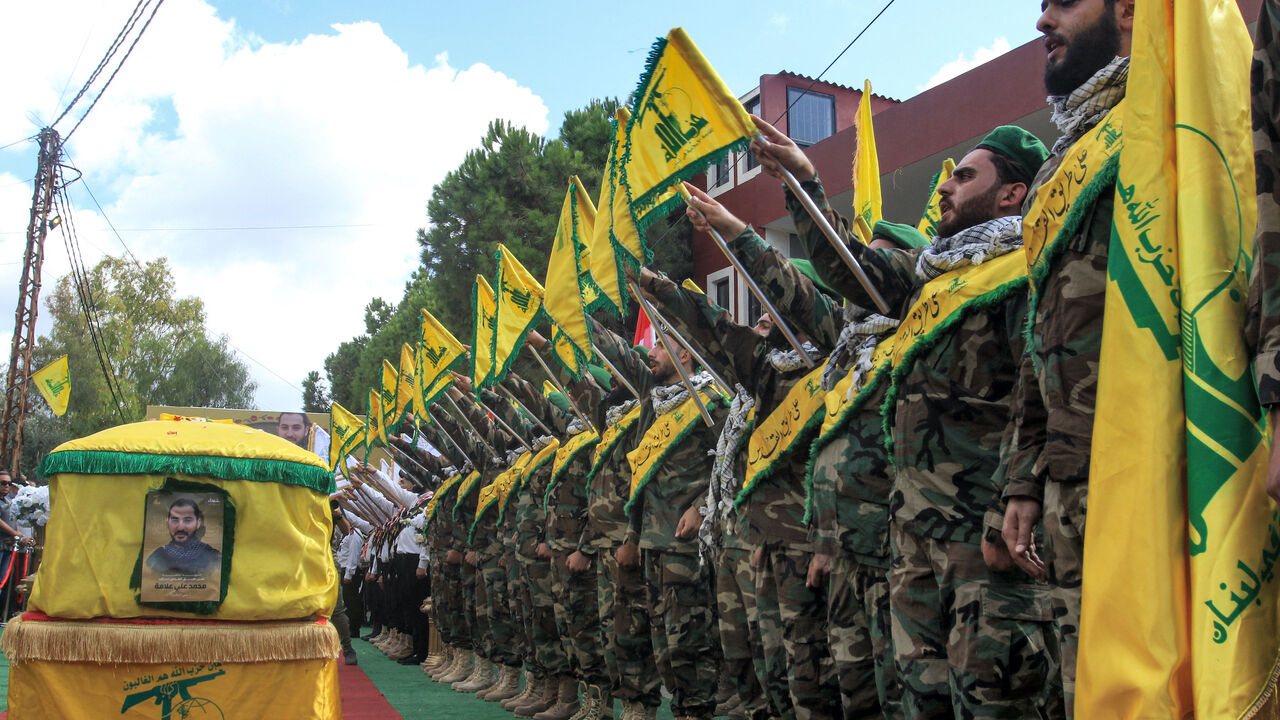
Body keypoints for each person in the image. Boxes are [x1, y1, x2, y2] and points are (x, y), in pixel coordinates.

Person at [999, 2, 1135, 714]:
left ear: (1131, 11)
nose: (1042, 23)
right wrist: (1023, 483)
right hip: (1067, 490)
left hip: (1152, 467)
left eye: (1065, 4)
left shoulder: (1167, 114)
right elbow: (1037, 342)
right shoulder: (1067, 162)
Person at [146, 498, 221, 576]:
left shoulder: (213, 557)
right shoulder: (156, 558)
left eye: (187, 520)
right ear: (168, 523)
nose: (180, 527)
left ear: (198, 524)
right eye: (175, 520)